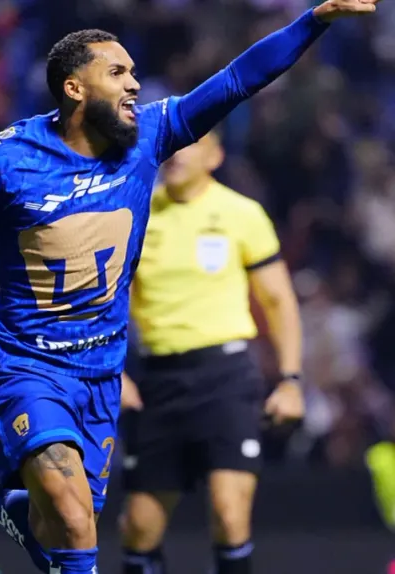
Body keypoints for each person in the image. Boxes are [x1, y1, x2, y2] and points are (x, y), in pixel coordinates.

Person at [0, 3, 377, 573]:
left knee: (60, 535)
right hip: (27, 366)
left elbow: (239, 80)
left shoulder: (150, 135)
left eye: (133, 73)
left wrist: (314, 19)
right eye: (117, 72)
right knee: (73, 520)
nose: (134, 84)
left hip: (100, 371)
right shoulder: (7, 159)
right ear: (74, 88)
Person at [118, 132, 303, 574]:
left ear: (215, 156)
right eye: (171, 144)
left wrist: (291, 381)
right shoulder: (134, 213)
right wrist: (113, 372)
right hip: (157, 380)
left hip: (225, 377)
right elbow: (106, 304)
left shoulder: (242, 214)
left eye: (189, 144)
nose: (175, 154)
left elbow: (278, 300)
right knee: (139, 527)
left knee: (229, 513)